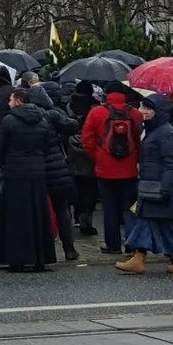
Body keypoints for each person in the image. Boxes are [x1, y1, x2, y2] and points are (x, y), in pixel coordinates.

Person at [116, 94, 173, 274]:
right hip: (151, 185)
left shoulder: (165, 132)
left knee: (158, 221)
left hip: (160, 186)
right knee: (154, 221)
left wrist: (165, 187)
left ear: (158, 111)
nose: (142, 111)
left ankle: (143, 259)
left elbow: (170, 162)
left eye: (147, 108)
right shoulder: (154, 130)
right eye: (142, 107)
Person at [0, 88, 57, 272]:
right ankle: (40, 258)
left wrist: (4, 165)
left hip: (14, 173)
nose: (9, 103)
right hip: (37, 172)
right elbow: (46, 147)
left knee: (16, 218)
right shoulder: (42, 120)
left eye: (11, 100)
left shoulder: (9, 121)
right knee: (37, 216)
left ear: (19, 102)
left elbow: (0, 148)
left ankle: (16, 259)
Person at [81, 82, 143, 254]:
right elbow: (139, 141)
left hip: (105, 169)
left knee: (110, 208)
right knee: (130, 207)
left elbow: (86, 140)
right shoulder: (135, 114)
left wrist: (99, 157)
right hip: (129, 169)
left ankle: (113, 244)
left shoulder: (96, 113)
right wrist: (135, 159)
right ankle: (132, 242)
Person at [31, 84, 80, 261]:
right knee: (62, 210)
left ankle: (44, 249)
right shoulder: (52, 114)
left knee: (40, 210)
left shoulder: (29, 115)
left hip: (37, 168)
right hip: (58, 167)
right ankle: (69, 249)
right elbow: (72, 126)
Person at [66, 81, 98, 236]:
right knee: (90, 186)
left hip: (73, 147)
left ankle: (76, 215)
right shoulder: (94, 107)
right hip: (89, 146)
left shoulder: (69, 104)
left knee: (76, 183)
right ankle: (86, 218)